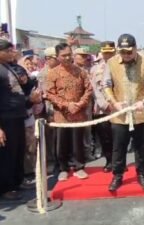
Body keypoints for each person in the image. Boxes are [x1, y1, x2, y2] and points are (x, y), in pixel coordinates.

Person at [103, 34, 144, 191]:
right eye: (122, 52)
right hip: (120, 114)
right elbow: (106, 85)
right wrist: (114, 103)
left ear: (135, 49)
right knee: (118, 147)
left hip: (141, 114)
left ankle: (142, 175)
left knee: (141, 147)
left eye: (129, 52)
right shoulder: (111, 63)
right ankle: (117, 176)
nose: (126, 55)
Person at [0, 39, 41, 200]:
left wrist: (31, 99)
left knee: (18, 151)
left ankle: (17, 181)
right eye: (8, 51)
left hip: (17, 116)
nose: (12, 54)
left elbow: (17, 92)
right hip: (4, 119)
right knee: (6, 155)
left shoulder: (9, 67)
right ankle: (6, 187)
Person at [46, 43, 93, 181]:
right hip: (62, 115)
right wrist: (67, 105)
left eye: (69, 54)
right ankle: (63, 168)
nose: (67, 58)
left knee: (78, 141)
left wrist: (79, 104)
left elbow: (89, 90)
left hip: (78, 113)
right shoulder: (52, 73)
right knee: (62, 142)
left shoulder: (80, 71)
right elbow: (50, 94)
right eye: (63, 55)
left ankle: (79, 167)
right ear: (57, 56)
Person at [90, 41, 115, 173]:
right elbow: (94, 89)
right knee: (105, 138)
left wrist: (115, 103)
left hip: (117, 107)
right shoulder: (95, 69)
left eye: (110, 52)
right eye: (105, 52)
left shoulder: (121, 67)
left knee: (118, 137)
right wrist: (104, 104)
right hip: (102, 109)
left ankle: (119, 162)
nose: (108, 54)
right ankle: (109, 161)